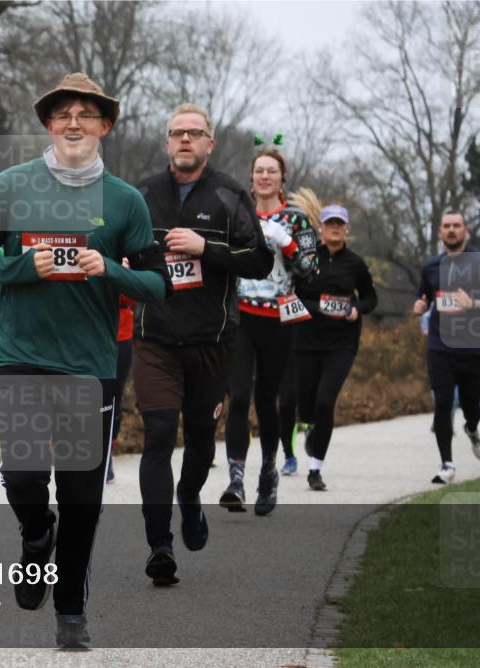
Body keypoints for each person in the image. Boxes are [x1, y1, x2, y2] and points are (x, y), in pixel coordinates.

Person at [0, 73, 168, 648]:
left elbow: (158, 283)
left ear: (105, 126)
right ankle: (35, 536)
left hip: (88, 362)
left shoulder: (125, 202)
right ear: (48, 124)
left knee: (82, 494)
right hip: (21, 354)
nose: (73, 123)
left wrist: (114, 270)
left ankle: (71, 608)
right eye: (62, 114)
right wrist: (27, 268)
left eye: (86, 114)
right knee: (24, 478)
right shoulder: (10, 185)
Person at [134, 103, 273, 585]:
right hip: (154, 338)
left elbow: (260, 261)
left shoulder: (231, 194)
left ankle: (189, 498)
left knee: (197, 440)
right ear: (167, 141)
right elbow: (115, 251)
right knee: (157, 433)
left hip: (211, 340)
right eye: (177, 133)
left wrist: (205, 248)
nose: (185, 140)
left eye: (195, 133)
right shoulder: (143, 195)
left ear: (210, 144)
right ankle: (159, 546)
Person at [221, 148, 318, 515]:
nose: (264, 176)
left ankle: (268, 471)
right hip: (240, 317)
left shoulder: (296, 218)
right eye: (258, 170)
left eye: (271, 171)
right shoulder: (236, 214)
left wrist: (287, 242)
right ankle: (235, 479)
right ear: (251, 177)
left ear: (282, 178)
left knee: (268, 399)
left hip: (278, 320)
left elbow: (313, 272)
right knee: (239, 395)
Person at [412, 211, 480, 483]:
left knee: (471, 406)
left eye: (457, 225)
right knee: (442, 402)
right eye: (446, 226)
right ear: (440, 232)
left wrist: (474, 304)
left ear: (466, 231)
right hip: (440, 345)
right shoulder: (431, 266)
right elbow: (424, 298)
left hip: (473, 347)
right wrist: (420, 306)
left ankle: (473, 429)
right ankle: (447, 464)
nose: (451, 230)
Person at [293, 202, 377, 490]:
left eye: (339, 224)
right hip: (305, 340)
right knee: (306, 406)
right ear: (321, 228)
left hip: (341, 342)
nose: (334, 229)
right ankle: (309, 424)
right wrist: (318, 307)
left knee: (326, 401)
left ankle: (315, 470)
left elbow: (370, 298)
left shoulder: (355, 263)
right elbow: (293, 295)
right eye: (330, 224)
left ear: (347, 229)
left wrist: (356, 308)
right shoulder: (306, 259)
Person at [108, 291, 137, 484]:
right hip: (86, 331)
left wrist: (122, 274)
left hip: (121, 332)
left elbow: (134, 297)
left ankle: (106, 455)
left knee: (114, 397)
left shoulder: (125, 259)